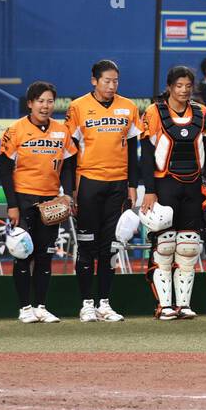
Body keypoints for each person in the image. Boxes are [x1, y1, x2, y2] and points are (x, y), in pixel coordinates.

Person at [60, 59, 141, 323]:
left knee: (110, 247)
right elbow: (69, 154)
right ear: (94, 81)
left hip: (117, 185)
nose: (111, 85)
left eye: (115, 80)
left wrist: (131, 186)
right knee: (86, 247)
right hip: (88, 184)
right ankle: (86, 304)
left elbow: (134, 153)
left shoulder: (128, 107)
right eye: (106, 80)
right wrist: (70, 190)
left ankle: (104, 303)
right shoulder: (78, 107)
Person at [139, 65, 206, 320]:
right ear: (170, 87)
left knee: (188, 247)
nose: (184, 90)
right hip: (165, 184)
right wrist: (149, 190)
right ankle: (164, 305)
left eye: (188, 86)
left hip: (193, 185)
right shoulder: (154, 113)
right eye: (179, 85)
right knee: (164, 246)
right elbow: (147, 156)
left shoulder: (202, 113)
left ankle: (183, 304)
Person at [0, 81, 71, 324]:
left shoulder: (62, 131)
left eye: (50, 101)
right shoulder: (15, 130)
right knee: (22, 254)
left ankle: (41, 306)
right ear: (30, 104)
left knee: (45, 255)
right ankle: (24, 307)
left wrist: (68, 194)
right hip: (23, 199)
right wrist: (12, 205)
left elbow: (69, 166)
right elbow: (5, 171)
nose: (45, 106)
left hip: (50, 201)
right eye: (40, 101)